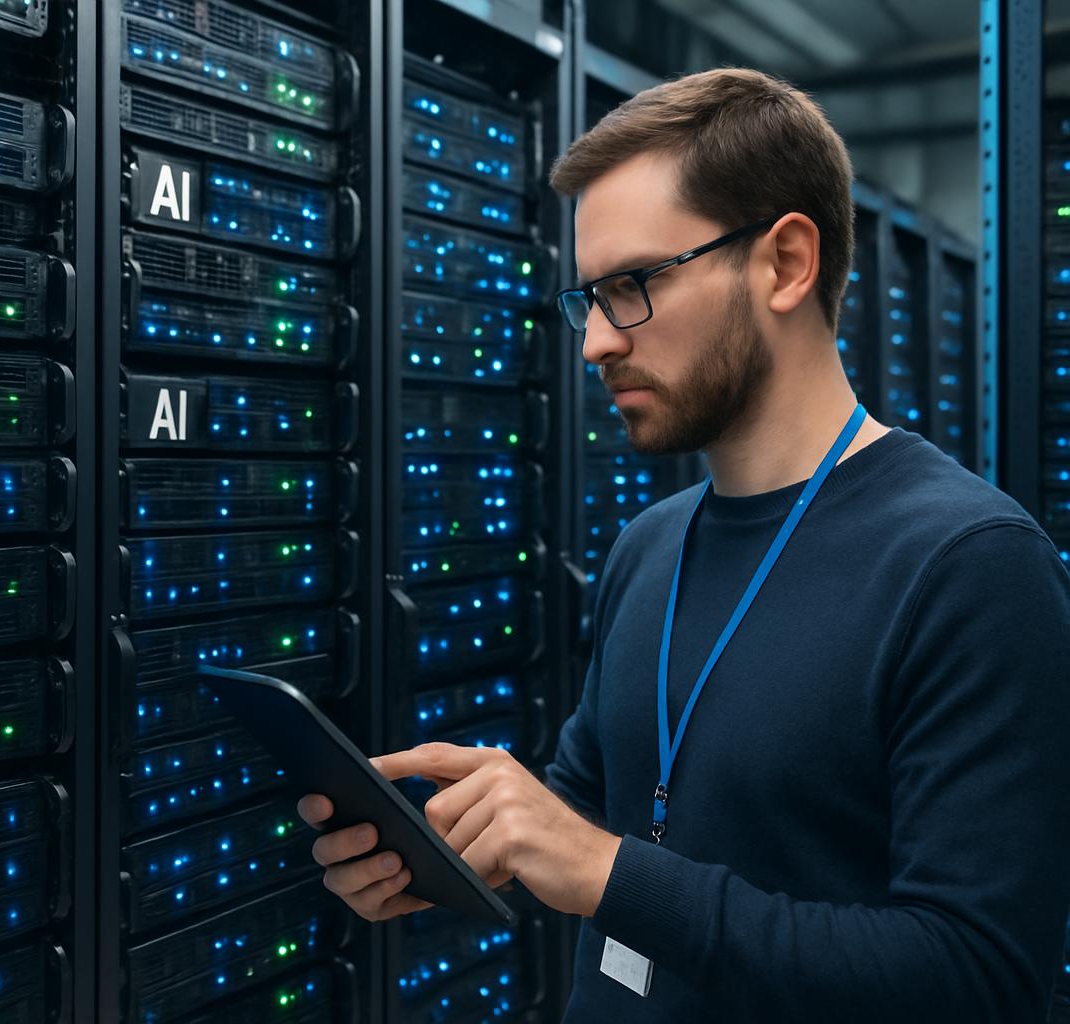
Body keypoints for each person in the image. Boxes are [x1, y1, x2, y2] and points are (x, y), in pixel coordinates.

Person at [298, 67, 1070, 1021]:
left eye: (632, 285)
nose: (595, 344)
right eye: (590, 298)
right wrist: (444, 842)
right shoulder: (649, 546)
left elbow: (977, 979)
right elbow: (589, 811)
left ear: (786, 263)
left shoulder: (972, 565)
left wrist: (612, 875)